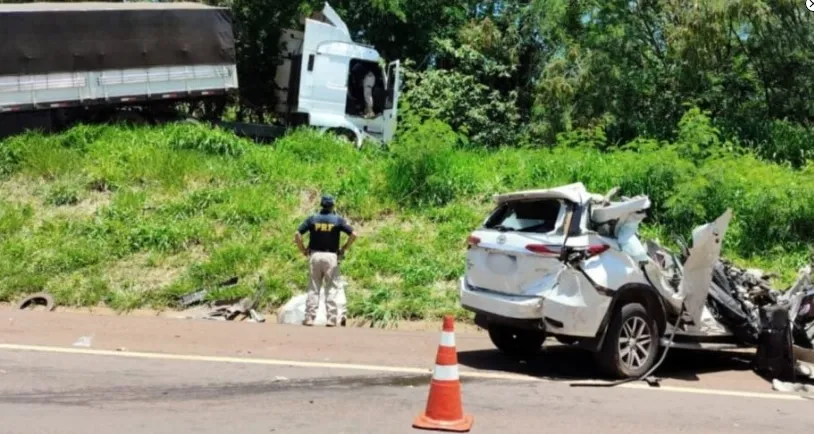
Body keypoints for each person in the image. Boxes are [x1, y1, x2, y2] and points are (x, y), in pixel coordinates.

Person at [294, 195, 357, 327]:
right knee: (332, 288)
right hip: (331, 256)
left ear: (321, 205)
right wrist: (345, 247)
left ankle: (310, 317)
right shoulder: (337, 220)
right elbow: (354, 234)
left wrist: (303, 249)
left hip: (315, 255)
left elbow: (297, 234)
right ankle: (331, 319)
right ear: (332, 206)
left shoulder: (313, 219)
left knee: (314, 287)